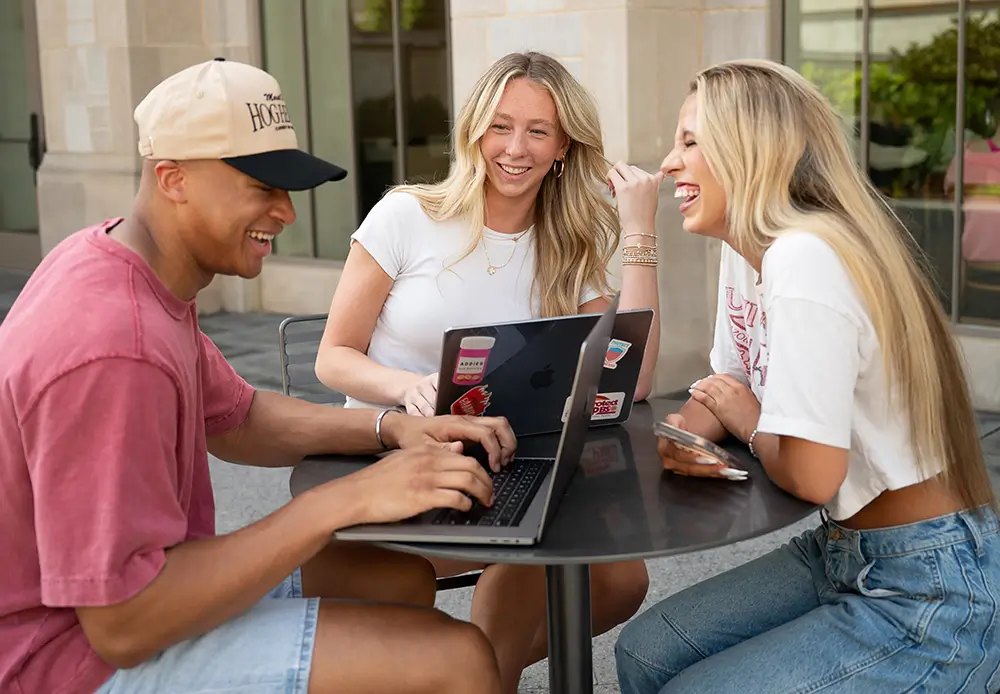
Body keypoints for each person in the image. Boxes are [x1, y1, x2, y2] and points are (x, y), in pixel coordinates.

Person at [0, 58, 517, 694]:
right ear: (173, 179)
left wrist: (393, 429)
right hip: (63, 657)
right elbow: (123, 625)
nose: (286, 212)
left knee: (395, 577)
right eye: (261, 187)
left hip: (124, 605)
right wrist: (344, 500)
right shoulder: (116, 345)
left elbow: (240, 419)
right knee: (457, 660)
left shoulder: (122, 264)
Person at [614, 59, 1000, 694]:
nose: (669, 163)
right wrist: (688, 429)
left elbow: (813, 474)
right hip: (842, 549)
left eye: (690, 142)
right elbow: (727, 381)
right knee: (646, 653)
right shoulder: (747, 250)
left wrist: (747, 423)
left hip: (932, 585)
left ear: (750, 150)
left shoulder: (804, 257)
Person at [315, 51, 657, 693]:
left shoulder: (569, 242)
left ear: (562, 147)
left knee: (620, 576)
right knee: (534, 554)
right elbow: (332, 356)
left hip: (512, 462)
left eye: (538, 131)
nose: (515, 148)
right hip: (399, 459)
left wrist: (639, 233)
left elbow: (631, 382)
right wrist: (408, 388)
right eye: (501, 126)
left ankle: (475, 673)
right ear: (475, 130)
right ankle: (477, 676)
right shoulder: (406, 215)